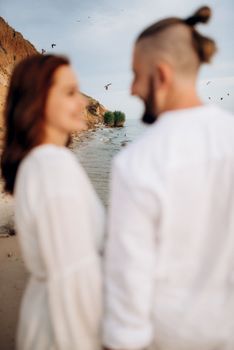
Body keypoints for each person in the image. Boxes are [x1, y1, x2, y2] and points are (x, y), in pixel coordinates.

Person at [103, 6, 234, 350]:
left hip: (171, 338)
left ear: (160, 75)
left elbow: (129, 286)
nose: (131, 89)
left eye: (135, 75)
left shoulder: (137, 163)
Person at [1, 54, 105, 350]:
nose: (83, 103)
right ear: (40, 101)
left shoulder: (39, 162)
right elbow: (71, 281)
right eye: (70, 93)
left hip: (47, 322)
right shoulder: (52, 166)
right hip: (64, 334)